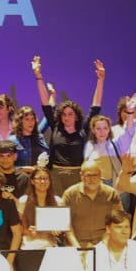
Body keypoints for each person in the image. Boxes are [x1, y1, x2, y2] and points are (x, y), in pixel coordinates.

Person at [32, 55, 105, 193]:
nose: (66, 117)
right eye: (64, 114)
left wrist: (100, 80)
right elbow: (45, 105)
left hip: (78, 176)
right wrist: (38, 77)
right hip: (56, 175)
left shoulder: (82, 130)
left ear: (76, 116)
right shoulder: (56, 128)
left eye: (70, 114)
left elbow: (95, 106)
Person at [13, 164, 75, 271]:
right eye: (39, 178)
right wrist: (29, 232)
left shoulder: (57, 201)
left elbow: (64, 227)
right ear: (32, 181)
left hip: (50, 247)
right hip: (29, 248)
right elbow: (18, 228)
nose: (42, 181)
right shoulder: (24, 201)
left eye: (45, 178)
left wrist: (58, 231)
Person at [60, 159, 119, 248]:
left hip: (104, 243)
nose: (92, 179)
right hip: (76, 243)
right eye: (88, 175)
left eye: (95, 175)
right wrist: (77, 247)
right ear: (81, 176)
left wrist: (103, 245)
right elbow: (66, 224)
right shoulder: (70, 194)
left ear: (101, 175)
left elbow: (117, 221)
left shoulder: (111, 193)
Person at [11, 105, 48, 169]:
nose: (30, 122)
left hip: (39, 174)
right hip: (21, 175)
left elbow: (47, 118)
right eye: (27, 119)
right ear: (20, 121)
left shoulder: (40, 138)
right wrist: (25, 169)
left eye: (32, 119)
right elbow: (7, 165)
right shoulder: (12, 140)